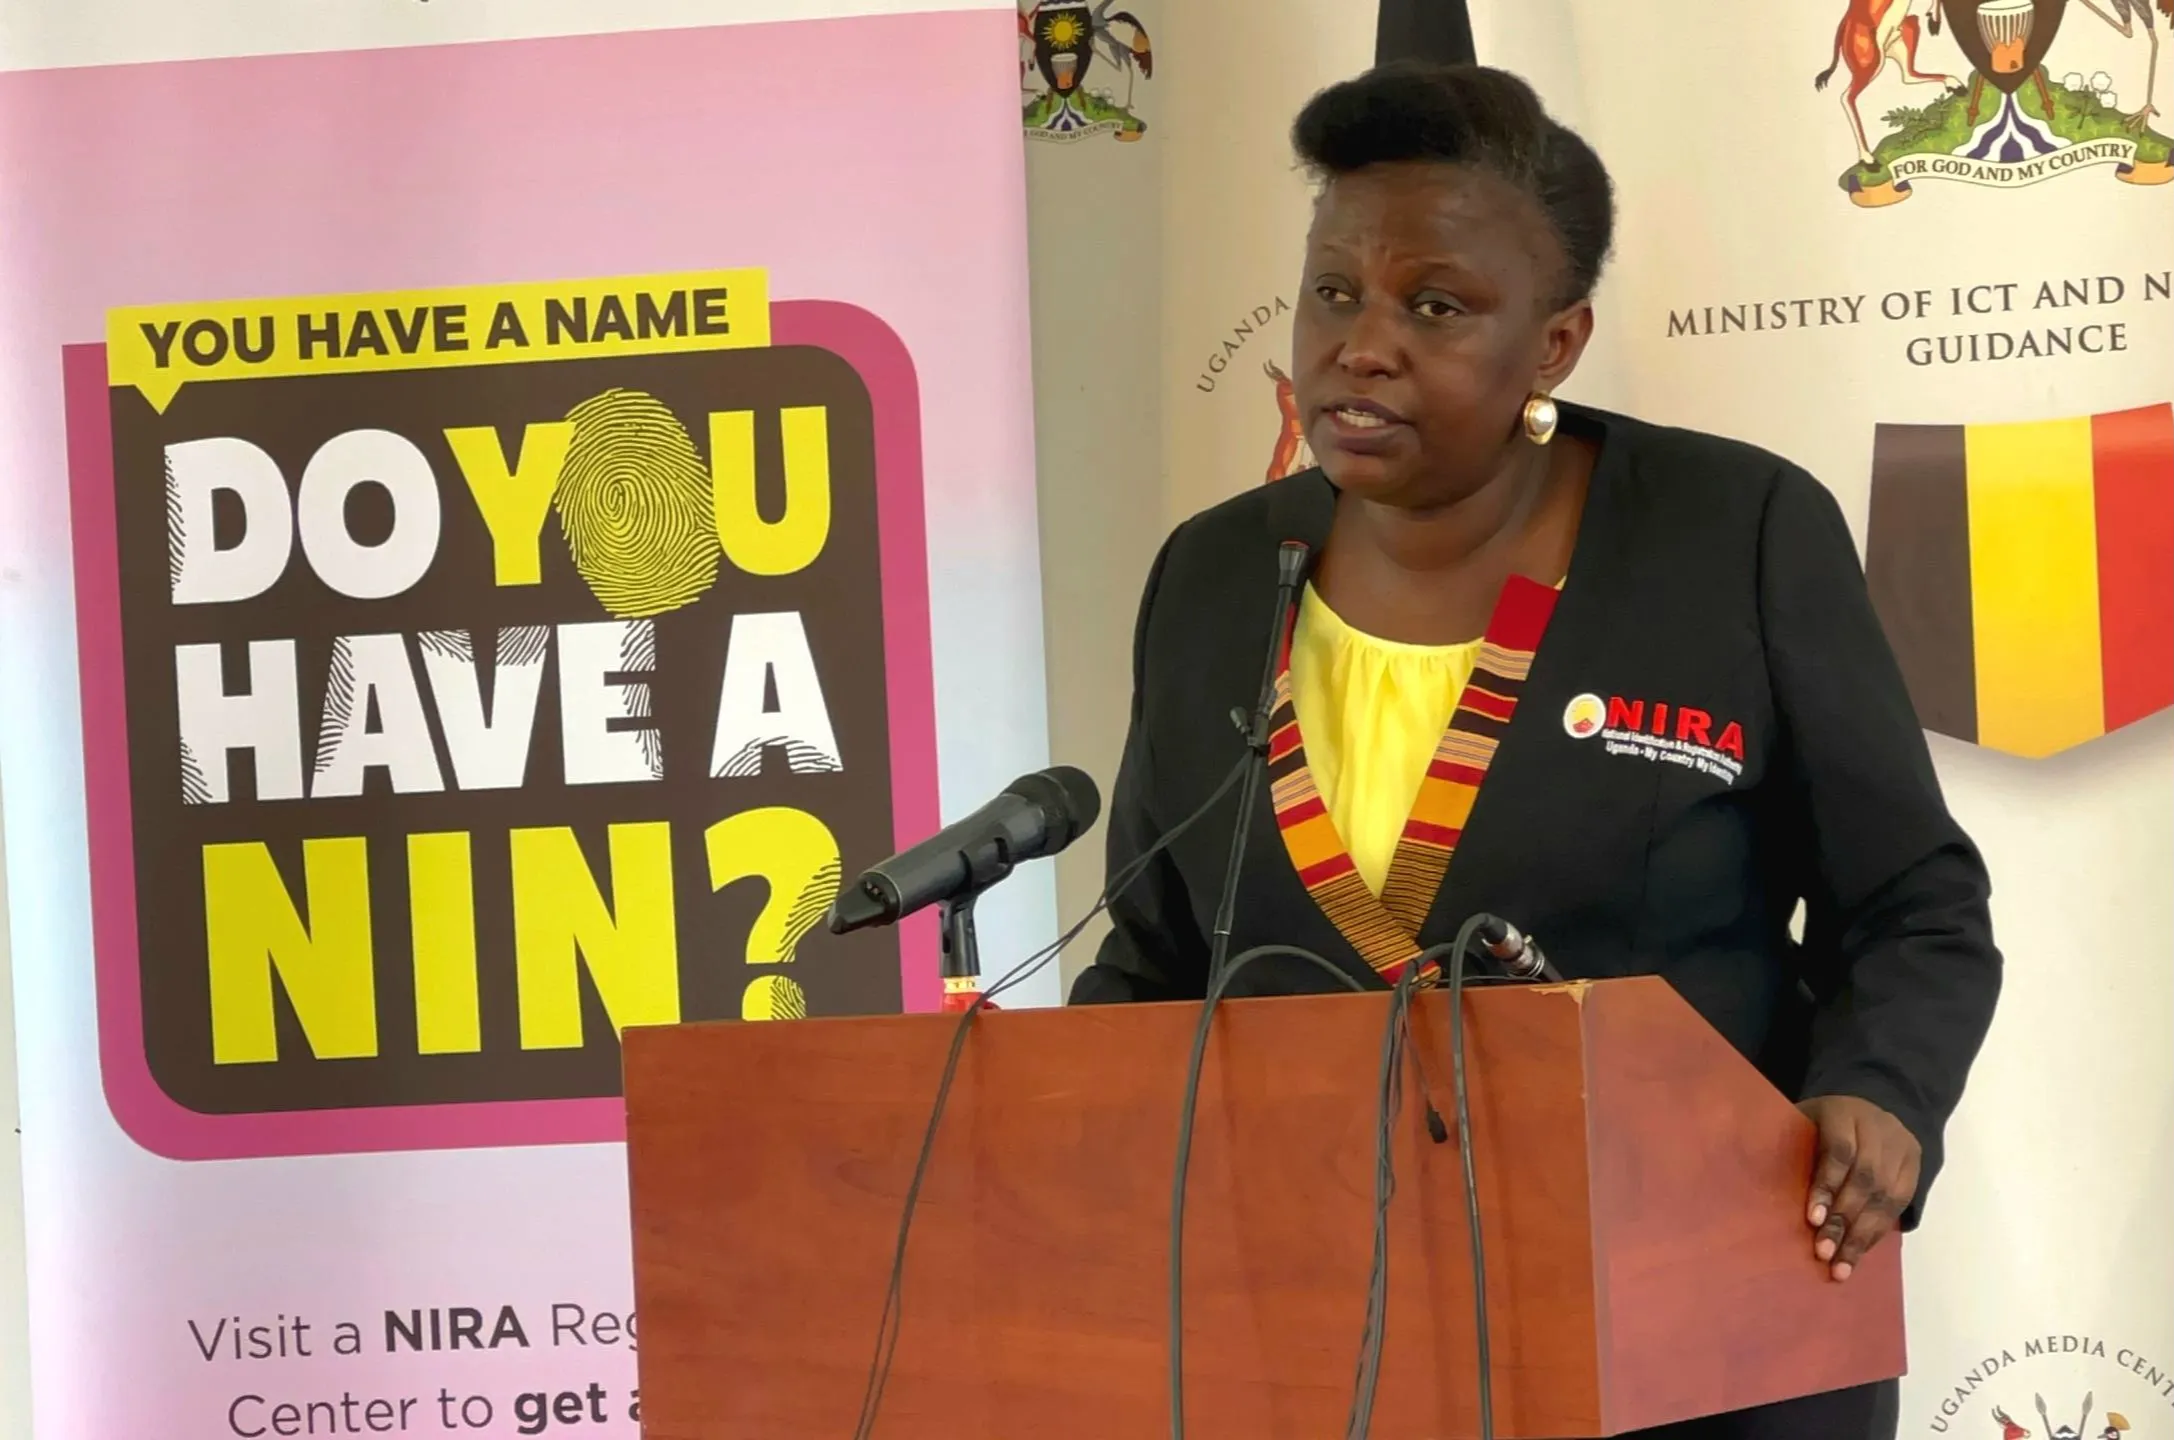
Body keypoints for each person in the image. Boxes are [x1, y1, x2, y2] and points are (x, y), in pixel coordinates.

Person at [1067, 61, 2002, 1440]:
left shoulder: (1732, 533)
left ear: (1555, 343)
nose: (1361, 345)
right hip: (1319, 1322)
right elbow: (1153, 956)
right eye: (1333, 292)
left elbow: (1913, 904)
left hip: (1699, 1314)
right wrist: (1064, 1138)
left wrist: (1877, 1092)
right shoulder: (1213, 575)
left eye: (1434, 306)